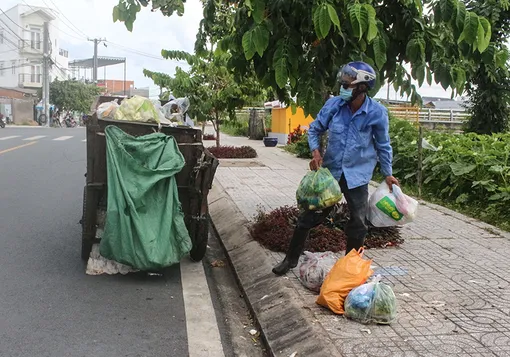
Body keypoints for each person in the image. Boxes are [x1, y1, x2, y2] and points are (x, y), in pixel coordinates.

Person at [272, 61, 399, 276]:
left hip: (357, 176)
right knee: (309, 217)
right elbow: (314, 129)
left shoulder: (377, 113)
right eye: (343, 83)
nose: (343, 87)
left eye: (348, 85)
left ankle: (350, 270)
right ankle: (290, 260)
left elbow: (383, 145)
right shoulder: (334, 105)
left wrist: (387, 174)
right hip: (330, 175)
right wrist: (315, 152)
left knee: (359, 223)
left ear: (362, 87)